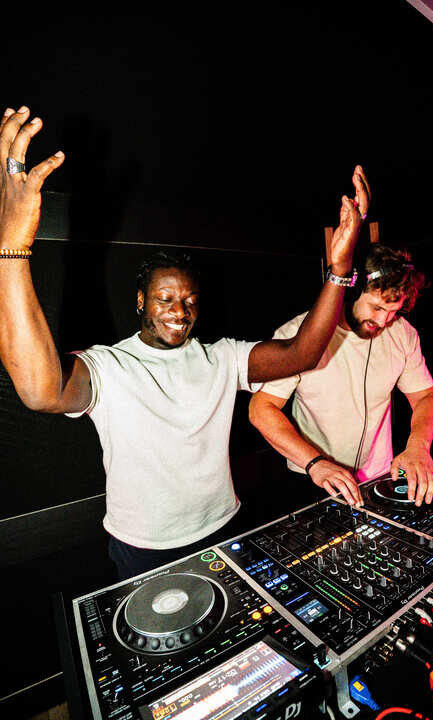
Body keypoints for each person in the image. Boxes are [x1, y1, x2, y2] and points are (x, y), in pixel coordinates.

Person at [0, 105, 370, 580]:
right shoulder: (109, 367)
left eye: (190, 300)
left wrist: (340, 270)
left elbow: (304, 353)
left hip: (225, 528)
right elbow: (39, 392)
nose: (180, 310)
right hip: (144, 547)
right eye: (165, 298)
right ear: (140, 301)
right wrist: (11, 246)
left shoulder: (222, 358)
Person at [249, 242, 433, 508]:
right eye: (376, 307)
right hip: (313, 479)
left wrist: (418, 446)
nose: (384, 321)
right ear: (351, 292)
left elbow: (426, 397)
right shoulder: (299, 335)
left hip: (377, 480)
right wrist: (315, 463)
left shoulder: (404, 334)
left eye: (393, 311)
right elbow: (262, 408)